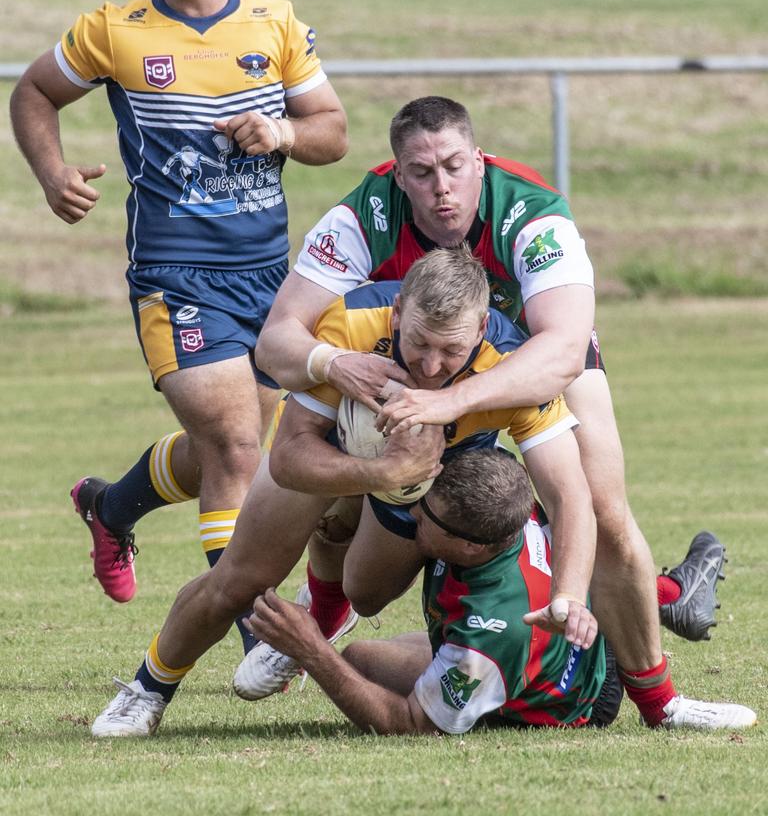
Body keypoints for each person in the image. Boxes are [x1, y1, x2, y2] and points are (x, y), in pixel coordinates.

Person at [250, 94, 731, 728]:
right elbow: (278, 340)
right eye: (421, 174)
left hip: (529, 360)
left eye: (453, 166)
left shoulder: (532, 214)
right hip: (414, 362)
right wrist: (336, 365)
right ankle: (324, 606)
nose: (440, 186)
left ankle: (659, 702)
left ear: (477, 160)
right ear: (399, 173)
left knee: (599, 506)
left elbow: (561, 349)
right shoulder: (363, 215)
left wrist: (448, 402)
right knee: (335, 457)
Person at [9, 0, 347, 626]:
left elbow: (334, 131)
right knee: (234, 448)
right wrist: (51, 170)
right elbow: (33, 91)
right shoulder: (114, 29)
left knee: (225, 447)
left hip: (269, 278)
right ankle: (254, 631)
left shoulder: (276, 24)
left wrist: (283, 131)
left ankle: (110, 505)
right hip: (175, 275)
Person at [88, 248, 599, 737]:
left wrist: (569, 595)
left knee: (368, 593)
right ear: (398, 312)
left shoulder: (511, 365)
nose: (431, 365)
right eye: (420, 342)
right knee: (239, 580)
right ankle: (146, 691)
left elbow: (568, 494)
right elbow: (288, 459)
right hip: (330, 450)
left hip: (432, 479)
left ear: (482, 329)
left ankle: (324, 611)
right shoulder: (354, 324)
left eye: (452, 350)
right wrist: (380, 471)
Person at [246, 451, 755, 734]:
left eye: (428, 516)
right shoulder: (510, 502)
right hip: (562, 640)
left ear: (470, 544)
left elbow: (408, 724)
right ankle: (670, 595)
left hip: (570, 700)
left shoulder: (491, 635)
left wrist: (311, 650)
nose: (414, 515)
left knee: (356, 659)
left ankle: (662, 610)